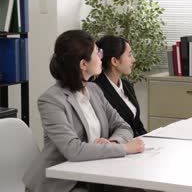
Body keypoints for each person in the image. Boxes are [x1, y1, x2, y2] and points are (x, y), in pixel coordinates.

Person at [23, 30, 145, 192]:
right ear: (83, 64)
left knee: (135, 188)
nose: (101, 57)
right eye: (97, 53)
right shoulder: (51, 100)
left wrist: (114, 142)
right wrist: (124, 148)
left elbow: (123, 126)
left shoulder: (94, 90)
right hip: (63, 183)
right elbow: (73, 150)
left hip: (94, 173)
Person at [93, 35, 147, 137]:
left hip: (138, 145)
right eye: (129, 55)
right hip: (119, 147)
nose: (133, 60)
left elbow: (138, 125)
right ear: (115, 61)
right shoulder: (97, 90)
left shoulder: (127, 85)